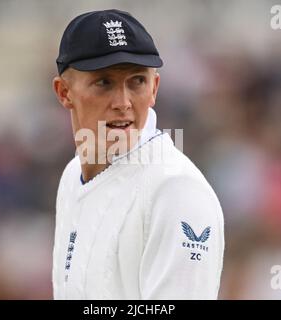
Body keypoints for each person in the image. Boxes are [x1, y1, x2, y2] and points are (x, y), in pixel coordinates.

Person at [52, 9, 224, 300]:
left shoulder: (175, 190)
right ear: (64, 93)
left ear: (154, 88)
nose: (123, 102)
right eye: (104, 82)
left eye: (137, 81)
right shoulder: (72, 177)